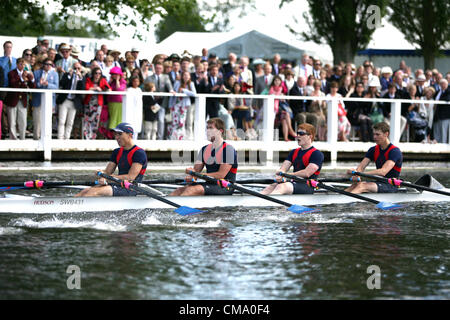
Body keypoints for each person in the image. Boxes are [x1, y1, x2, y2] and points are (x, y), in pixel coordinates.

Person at [75, 123, 148, 197]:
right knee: (85, 191)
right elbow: (107, 172)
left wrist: (107, 179)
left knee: (93, 192)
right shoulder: (117, 152)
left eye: (120, 134)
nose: (116, 137)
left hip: (132, 188)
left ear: (130, 135)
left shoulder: (139, 153)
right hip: (119, 184)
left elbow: (130, 177)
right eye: (115, 134)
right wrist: (101, 172)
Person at [169, 118, 238, 196]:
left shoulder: (228, 150)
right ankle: (167, 207)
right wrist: (191, 177)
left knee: (192, 190)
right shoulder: (204, 149)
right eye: (207, 128)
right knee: (179, 190)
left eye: (211, 128)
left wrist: (197, 174)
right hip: (210, 184)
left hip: (225, 186)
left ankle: (182, 206)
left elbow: (221, 175)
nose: (207, 131)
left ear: (220, 131)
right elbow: (196, 172)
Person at [261, 123, 324, 195]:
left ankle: (270, 203)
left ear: (310, 136)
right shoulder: (294, 152)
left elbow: (307, 173)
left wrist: (286, 175)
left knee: (283, 187)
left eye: (301, 134)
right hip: (293, 182)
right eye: (297, 133)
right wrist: (280, 174)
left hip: (308, 185)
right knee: (271, 186)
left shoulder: (317, 154)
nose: (297, 136)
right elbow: (283, 168)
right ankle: (256, 201)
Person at [346, 122, 403, 194]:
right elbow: (361, 167)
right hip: (379, 181)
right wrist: (356, 173)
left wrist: (361, 174)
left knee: (362, 186)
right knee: (356, 184)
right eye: (374, 134)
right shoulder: (373, 150)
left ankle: (346, 201)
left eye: (377, 134)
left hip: (391, 184)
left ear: (386, 134)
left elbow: (383, 172)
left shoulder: (394, 151)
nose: (374, 137)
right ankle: (339, 200)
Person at [31, 58, 59, 140]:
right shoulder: (36, 73)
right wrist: (40, 83)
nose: (48, 66)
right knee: (37, 121)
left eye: (50, 64)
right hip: (38, 99)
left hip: (49, 101)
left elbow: (56, 87)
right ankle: (36, 138)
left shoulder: (55, 74)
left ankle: (46, 139)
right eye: (46, 64)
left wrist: (47, 84)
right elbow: (34, 85)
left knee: (47, 121)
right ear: (43, 64)